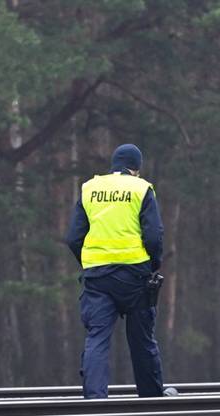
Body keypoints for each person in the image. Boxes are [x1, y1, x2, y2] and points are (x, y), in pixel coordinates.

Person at [65, 144, 171, 399]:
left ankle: (95, 401)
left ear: (114, 164)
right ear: (136, 167)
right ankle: (151, 397)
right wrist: (152, 264)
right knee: (142, 340)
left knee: (97, 338)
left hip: (98, 278)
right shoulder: (141, 188)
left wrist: (90, 261)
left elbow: (73, 237)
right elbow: (154, 236)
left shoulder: (90, 189)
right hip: (136, 276)